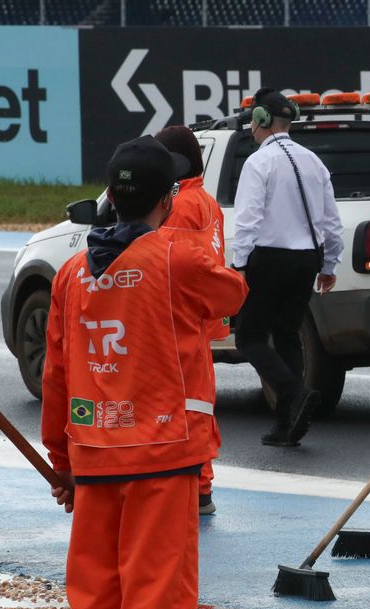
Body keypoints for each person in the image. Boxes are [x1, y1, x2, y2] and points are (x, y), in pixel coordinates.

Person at [42, 136, 247, 609]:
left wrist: (61, 462)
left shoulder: (75, 271)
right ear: (166, 199)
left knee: (97, 602)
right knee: (158, 602)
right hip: (160, 457)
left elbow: (56, 374)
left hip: (95, 458)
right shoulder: (174, 255)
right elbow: (233, 293)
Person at [230, 87, 343, 447]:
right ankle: (286, 425)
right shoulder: (313, 160)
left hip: (269, 256)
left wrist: (239, 264)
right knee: (287, 334)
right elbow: (331, 220)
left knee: (248, 337)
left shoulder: (258, 162)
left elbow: (247, 219)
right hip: (306, 259)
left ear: (260, 120)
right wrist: (329, 263)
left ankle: (294, 393)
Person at [157, 124, 226, 516]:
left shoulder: (178, 204)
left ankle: (196, 486)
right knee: (197, 403)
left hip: (176, 317)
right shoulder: (206, 200)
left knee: (185, 405)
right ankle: (199, 484)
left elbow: (165, 260)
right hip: (197, 318)